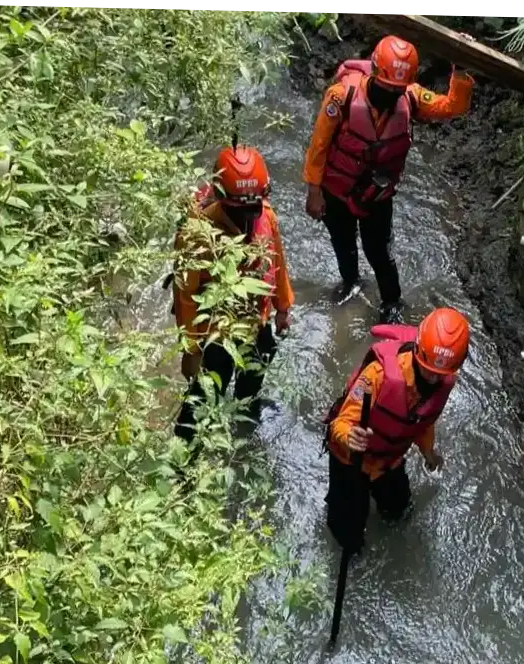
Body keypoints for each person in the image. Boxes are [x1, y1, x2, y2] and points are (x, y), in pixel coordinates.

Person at [303, 35, 475, 324]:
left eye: (397, 90)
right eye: (386, 88)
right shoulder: (340, 97)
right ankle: (350, 283)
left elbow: (451, 107)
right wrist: (313, 191)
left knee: (380, 252)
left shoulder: (410, 97)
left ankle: (392, 303)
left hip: (377, 196)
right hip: (336, 191)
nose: (391, 95)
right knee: (343, 244)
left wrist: (460, 73)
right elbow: (318, 146)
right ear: (373, 73)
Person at [322, 307, 470, 554]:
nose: (433, 378)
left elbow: (423, 421)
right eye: (429, 370)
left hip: (387, 461)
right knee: (347, 534)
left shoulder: (443, 379)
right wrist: (349, 436)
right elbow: (341, 422)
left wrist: (429, 454)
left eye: (439, 374)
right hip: (350, 458)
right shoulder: (377, 375)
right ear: (418, 351)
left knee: (399, 511)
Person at [171, 145, 293, 441]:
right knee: (203, 398)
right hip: (215, 333)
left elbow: (277, 260)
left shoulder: (265, 215)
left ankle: (245, 426)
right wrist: (191, 352)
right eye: (241, 210)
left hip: (255, 319)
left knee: (258, 366)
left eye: (254, 207)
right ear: (223, 199)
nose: (250, 216)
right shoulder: (197, 234)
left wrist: (283, 308)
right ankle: (183, 462)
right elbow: (185, 298)